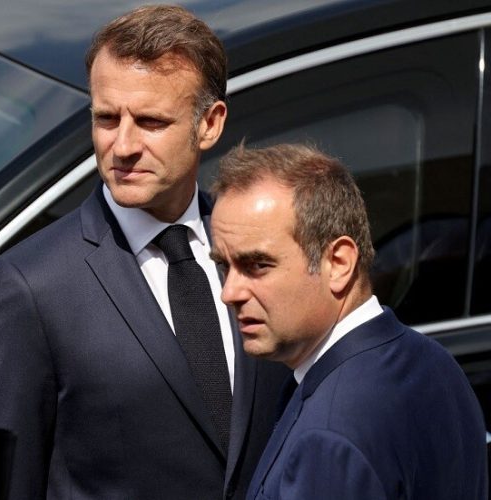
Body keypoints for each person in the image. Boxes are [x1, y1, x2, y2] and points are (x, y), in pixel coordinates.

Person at [0, 5, 287, 499]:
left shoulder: (260, 250)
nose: (123, 146)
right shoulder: (30, 287)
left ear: (210, 124)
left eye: (151, 121)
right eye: (107, 119)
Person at [209, 143, 488, 499]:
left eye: (257, 265)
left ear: (339, 263)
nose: (229, 292)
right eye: (224, 266)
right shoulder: (434, 362)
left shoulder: (328, 439)